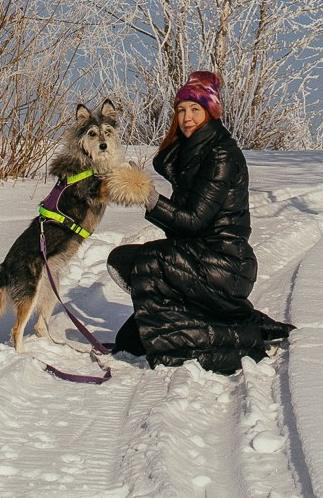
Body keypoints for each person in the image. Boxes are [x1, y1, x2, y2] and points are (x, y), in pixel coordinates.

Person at [107, 71, 294, 374]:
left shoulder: (221, 155)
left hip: (225, 264)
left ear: (211, 111)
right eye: (181, 110)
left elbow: (195, 221)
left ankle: (248, 340)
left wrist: (150, 198)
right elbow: (182, 226)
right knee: (129, 339)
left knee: (148, 262)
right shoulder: (190, 153)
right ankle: (204, 317)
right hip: (198, 257)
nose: (187, 117)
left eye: (195, 109)